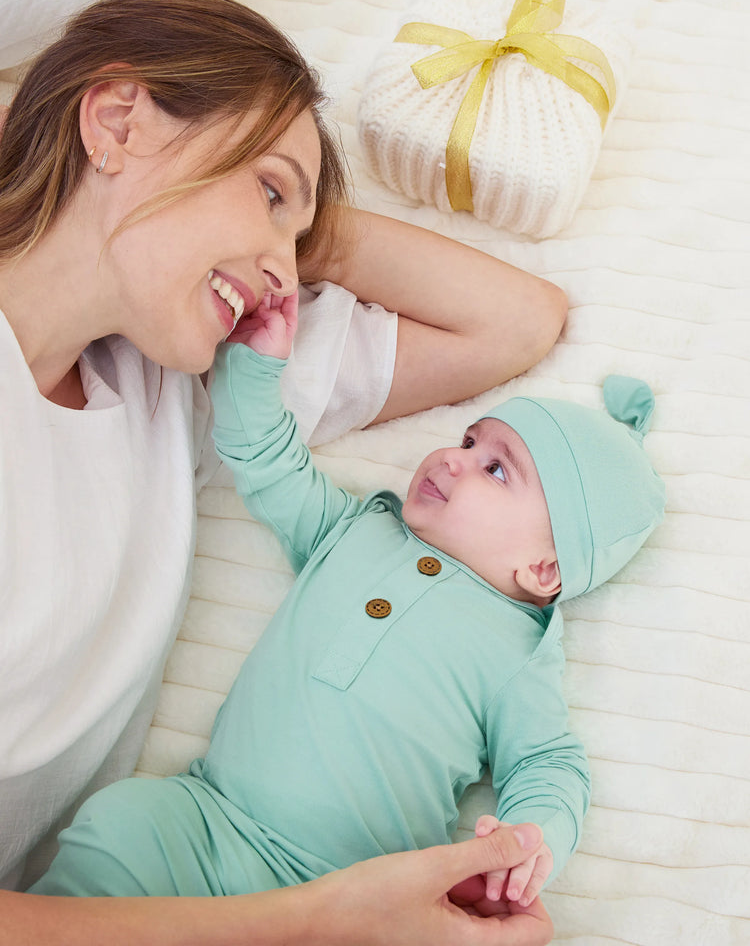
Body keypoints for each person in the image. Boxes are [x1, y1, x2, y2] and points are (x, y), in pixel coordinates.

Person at [0, 0, 566, 946]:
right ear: (119, 119)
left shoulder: (173, 393)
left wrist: (292, 232)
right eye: (266, 188)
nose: (282, 263)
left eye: (293, 233)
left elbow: (514, 321)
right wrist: (311, 921)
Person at [30, 290, 665, 914]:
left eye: (497, 470)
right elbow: (269, 464)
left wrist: (530, 841)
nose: (453, 459)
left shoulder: (517, 649)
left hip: (351, 890)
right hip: (208, 816)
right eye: (468, 443)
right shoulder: (355, 530)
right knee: (119, 822)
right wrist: (255, 365)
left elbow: (549, 761)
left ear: (544, 566)